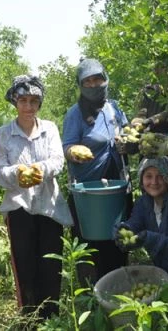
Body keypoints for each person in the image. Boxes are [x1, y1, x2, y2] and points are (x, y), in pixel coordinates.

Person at [0, 75, 73, 319]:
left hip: (49, 205)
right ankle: (29, 316)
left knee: (51, 263)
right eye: (23, 100)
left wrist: (40, 170)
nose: (28, 107)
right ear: (15, 102)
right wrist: (17, 173)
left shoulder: (49, 129)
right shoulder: (4, 134)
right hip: (19, 207)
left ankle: (51, 316)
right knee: (24, 263)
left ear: (40, 104)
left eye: (34, 101)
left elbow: (58, 160)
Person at [61, 58, 130, 285]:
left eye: (97, 79)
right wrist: (75, 151)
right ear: (80, 85)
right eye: (87, 81)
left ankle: (118, 296)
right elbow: (67, 147)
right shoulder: (75, 114)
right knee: (90, 252)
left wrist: (129, 139)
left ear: (105, 79)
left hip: (117, 190)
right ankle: (92, 302)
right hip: (88, 194)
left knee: (118, 246)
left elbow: (129, 133)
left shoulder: (115, 108)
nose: (93, 85)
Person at [114, 156, 168, 286]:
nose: (154, 182)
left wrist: (148, 238)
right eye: (149, 176)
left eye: (160, 176)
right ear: (141, 179)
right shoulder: (144, 201)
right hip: (165, 273)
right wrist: (123, 229)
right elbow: (135, 223)